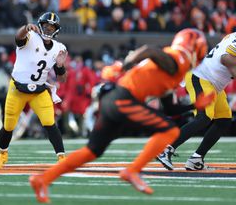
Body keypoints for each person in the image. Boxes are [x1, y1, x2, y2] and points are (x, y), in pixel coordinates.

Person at [29, 28, 215, 202]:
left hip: (115, 101)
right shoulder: (178, 59)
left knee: (91, 152)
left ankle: (42, 179)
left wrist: (194, 105)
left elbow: (170, 108)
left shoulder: (173, 67)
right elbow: (149, 50)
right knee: (170, 131)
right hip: (124, 100)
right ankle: (132, 171)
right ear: (194, 49)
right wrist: (125, 65)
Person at [0, 12, 68, 169]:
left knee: (49, 123)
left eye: (51, 27)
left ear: (56, 29)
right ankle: (2, 155)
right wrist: (26, 28)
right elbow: (18, 37)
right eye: (45, 26)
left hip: (38, 91)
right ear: (39, 25)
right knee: (9, 125)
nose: (47, 29)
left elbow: (62, 79)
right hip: (18, 89)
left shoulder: (59, 48)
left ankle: (62, 158)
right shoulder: (30, 37)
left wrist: (60, 66)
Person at [157, 32, 236, 171]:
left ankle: (196, 159)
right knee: (204, 117)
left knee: (224, 120)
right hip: (201, 77)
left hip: (214, 83)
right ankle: (166, 149)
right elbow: (226, 58)